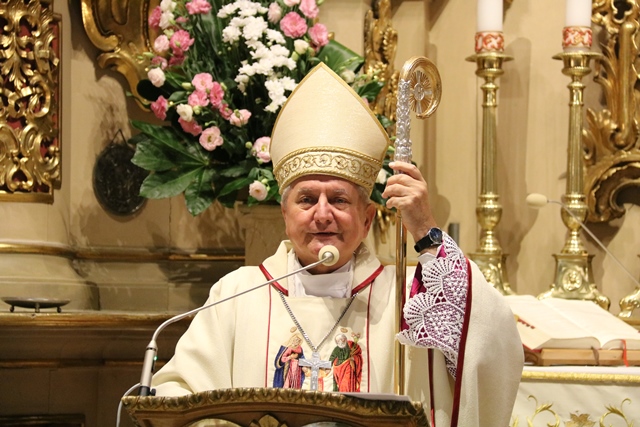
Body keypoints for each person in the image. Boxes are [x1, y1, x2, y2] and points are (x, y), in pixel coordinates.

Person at [151, 63, 524, 426]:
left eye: (339, 200)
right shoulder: (236, 294)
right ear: (285, 215)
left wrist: (425, 229)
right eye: (307, 199)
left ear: (367, 219)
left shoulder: (406, 299)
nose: (322, 214)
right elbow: (177, 392)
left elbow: (488, 339)